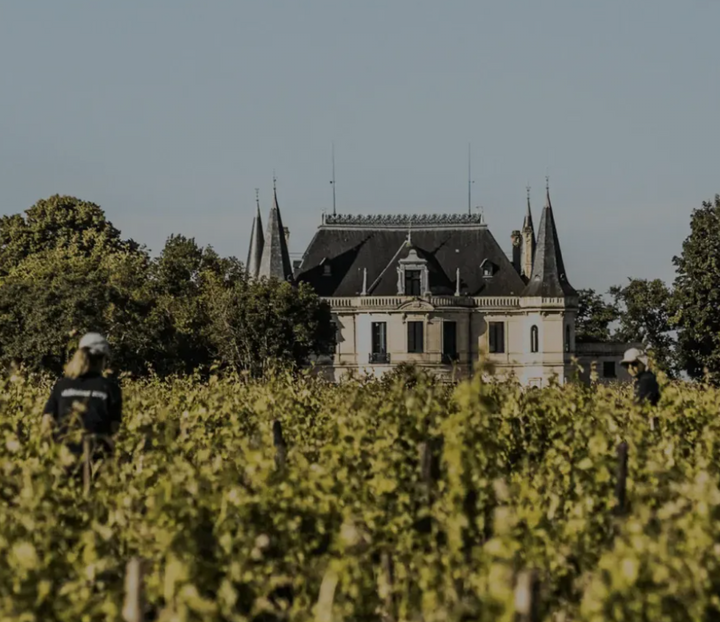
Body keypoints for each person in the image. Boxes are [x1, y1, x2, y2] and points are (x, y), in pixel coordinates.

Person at [42, 332, 122, 458]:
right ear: (102, 359)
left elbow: (47, 421)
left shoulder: (62, 386)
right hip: (97, 461)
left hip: (64, 459)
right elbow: (114, 430)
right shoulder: (110, 388)